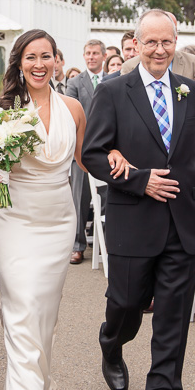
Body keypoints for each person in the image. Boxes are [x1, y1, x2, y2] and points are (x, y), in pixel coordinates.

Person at [83, 10, 195, 390]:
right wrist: (140, 181)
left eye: (167, 42)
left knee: (173, 314)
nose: (160, 50)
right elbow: (92, 154)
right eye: (151, 42)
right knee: (125, 303)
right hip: (133, 218)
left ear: (175, 42)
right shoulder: (111, 91)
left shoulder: (191, 91)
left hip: (184, 219)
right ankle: (112, 344)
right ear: (137, 44)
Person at [0, 29, 88, 390]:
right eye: (31, 57)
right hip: (14, 218)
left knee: (43, 310)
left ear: (57, 60)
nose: (39, 64)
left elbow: (86, 160)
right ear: (19, 62)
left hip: (59, 220)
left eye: (46, 56)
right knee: (22, 305)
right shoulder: (2, 108)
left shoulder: (73, 108)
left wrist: (124, 164)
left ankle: (36, 381)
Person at [66, 38, 106, 264]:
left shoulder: (113, 79)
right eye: (87, 53)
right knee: (79, 201)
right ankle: (77, 246)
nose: (91, 57)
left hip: (108, 149)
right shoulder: (75, 82)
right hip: (81, 149)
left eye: (95, 53)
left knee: (109, 199)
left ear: (103, 56)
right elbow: (70, 115)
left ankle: (109, 243)